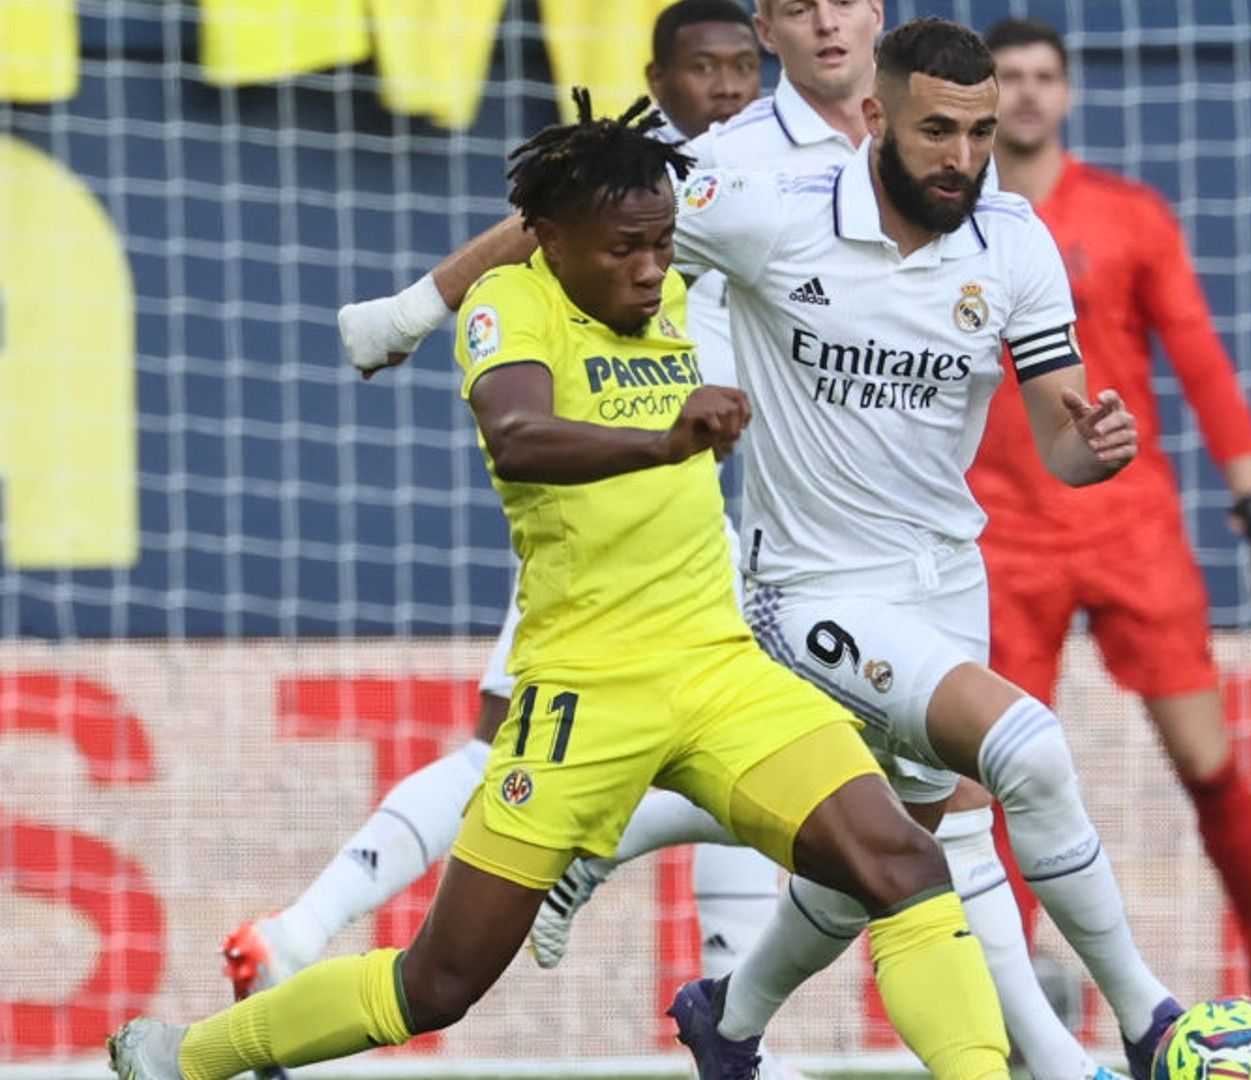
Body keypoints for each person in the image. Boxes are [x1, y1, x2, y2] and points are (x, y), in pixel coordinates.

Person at [107, 93, 1010, 1080]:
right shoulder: (513, 306)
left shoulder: (671, 288)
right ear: (547, 237)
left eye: (663, 244)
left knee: (904, 863)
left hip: (719, 671)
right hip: (584, 696)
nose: (652, 268)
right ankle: (189, 1057)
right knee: (437, 983)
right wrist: (661, 440)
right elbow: (518, 436)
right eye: (625, 249)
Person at [346, 6, 1109, 1080]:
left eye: (846, 0)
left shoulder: (970, 197)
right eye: (798, 4)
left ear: (877, 19)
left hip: (892, 557)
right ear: (770, 27)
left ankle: (721, 1004)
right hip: (679, 518)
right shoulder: (722, 164)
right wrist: (416, 308)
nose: (827, 19)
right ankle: (1113, 1035)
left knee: (899, 832)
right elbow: (559, 219)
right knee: (957, 798)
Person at [226, 0, 783, 1018]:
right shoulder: (652, 181)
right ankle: (309, 934)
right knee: (744, 754)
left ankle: (306, 929)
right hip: (616, 510)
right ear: (658, 83)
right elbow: (529, 234)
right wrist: (410, 312)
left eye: (742, 66)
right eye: (706, 67)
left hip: (729, 514)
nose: (728, 86)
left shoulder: (809, 162)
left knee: (802, 761)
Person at [973, 18, 1251, 1053]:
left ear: (1067, 93)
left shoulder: (1129, 217)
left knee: (1208, 762)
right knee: (998, 778)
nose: (1028, 93)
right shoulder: (953, 224)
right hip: (1001, 537)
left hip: (1131, 528)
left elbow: (1201, 364)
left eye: (1044, 76)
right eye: (1009, 77)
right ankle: (1015, 1008)